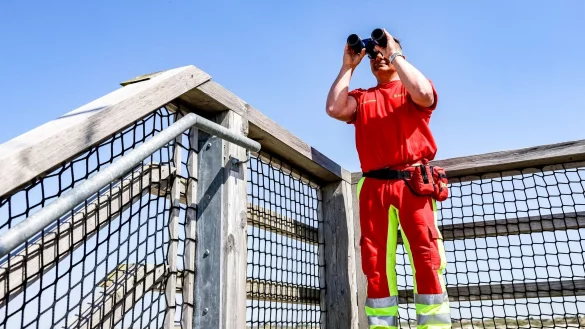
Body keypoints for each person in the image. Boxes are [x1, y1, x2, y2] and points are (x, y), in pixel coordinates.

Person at [325, 28, 452, 329]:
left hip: (413, 184)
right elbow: (334, 108)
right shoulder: (363, 98)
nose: (378, 56)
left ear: (398, 53)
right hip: (373, 187)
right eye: (373, 54)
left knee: (427, 257)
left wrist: (394, 51)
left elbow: (425, 93)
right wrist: (348, 66)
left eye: (384, 51)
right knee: (375, 264)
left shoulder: (410, 90)